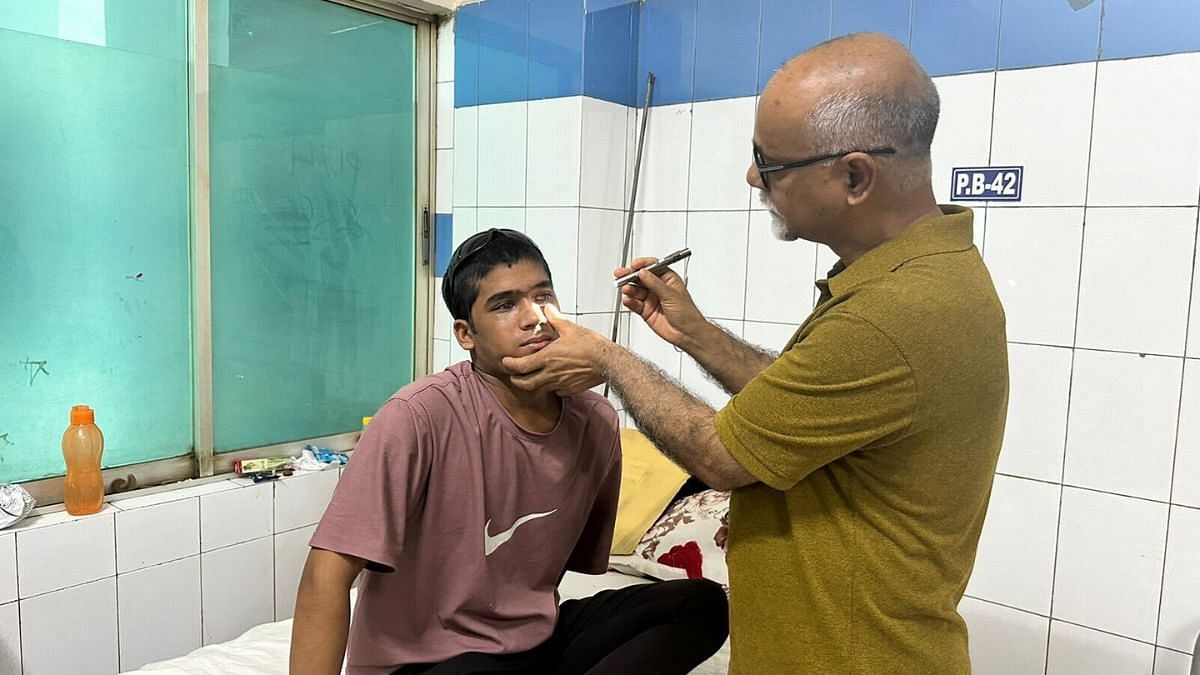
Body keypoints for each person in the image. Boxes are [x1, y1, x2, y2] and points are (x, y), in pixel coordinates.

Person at [502, 33, 1009, 674]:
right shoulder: (920, 273)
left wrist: (609, 359)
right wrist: (695, 333)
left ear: (854, 174)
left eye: (768, 164)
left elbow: (723, 457)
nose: (752, 177)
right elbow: (806, 407)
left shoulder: (894, 315)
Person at [289, 228, 728, 675]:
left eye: (543, 297)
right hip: (430, 662)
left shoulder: (596, 421)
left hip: (533, 646)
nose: (533, 317)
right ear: (466, 334)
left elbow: (543, 571)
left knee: (700, 605)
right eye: (504, 305)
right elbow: (325, 574)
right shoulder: (418, 416)